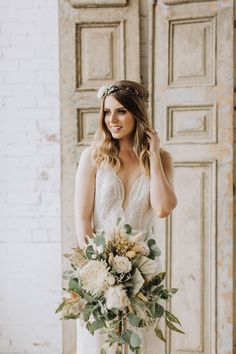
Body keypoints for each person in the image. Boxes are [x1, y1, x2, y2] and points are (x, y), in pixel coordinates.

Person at [74, 80, 177, 354]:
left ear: (137, 113)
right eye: (107, 112)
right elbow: (83, 220)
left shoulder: (161, 158)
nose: (112, 120)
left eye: (121, 111)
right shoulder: (93, 157)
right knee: (100, 345)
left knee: (141, 345)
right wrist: (99, 273)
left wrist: (153, 155)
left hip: (145, 273)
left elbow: (163, 208)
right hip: (100, 274)